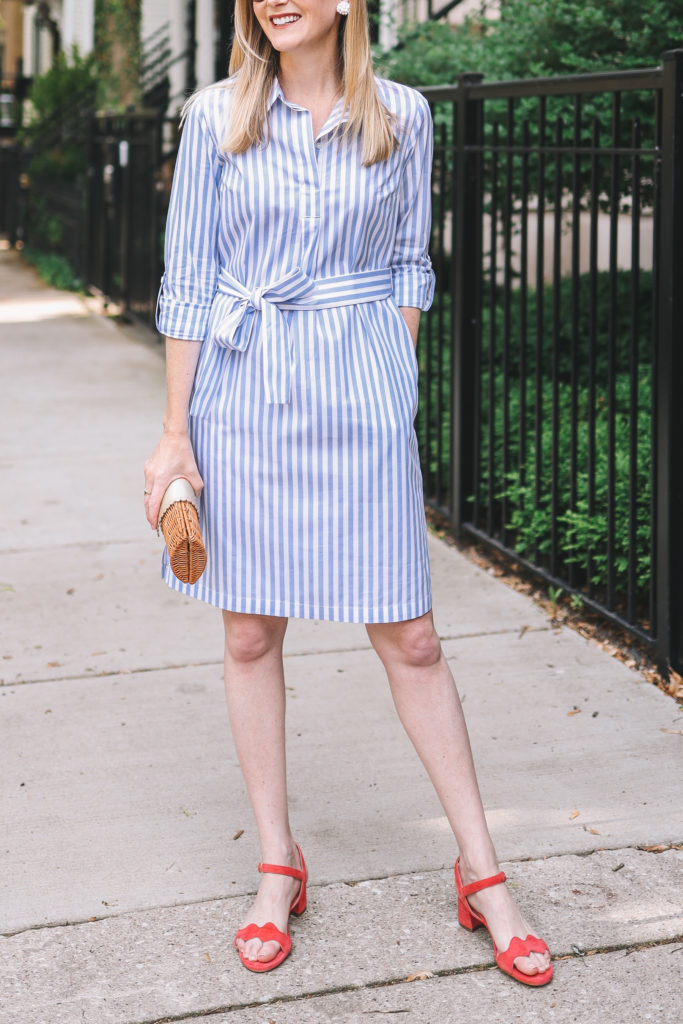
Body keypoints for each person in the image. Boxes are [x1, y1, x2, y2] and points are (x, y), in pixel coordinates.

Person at [144, 0, 552, 986]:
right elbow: (189, 280)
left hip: (355, 403)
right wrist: (173, 439)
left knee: (409, 636)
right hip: (241, 398)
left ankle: (481, 870)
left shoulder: (402, 116)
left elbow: (409, 263)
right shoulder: (213, 117)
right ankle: (277, 862)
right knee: (249, 633)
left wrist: (388, 387)